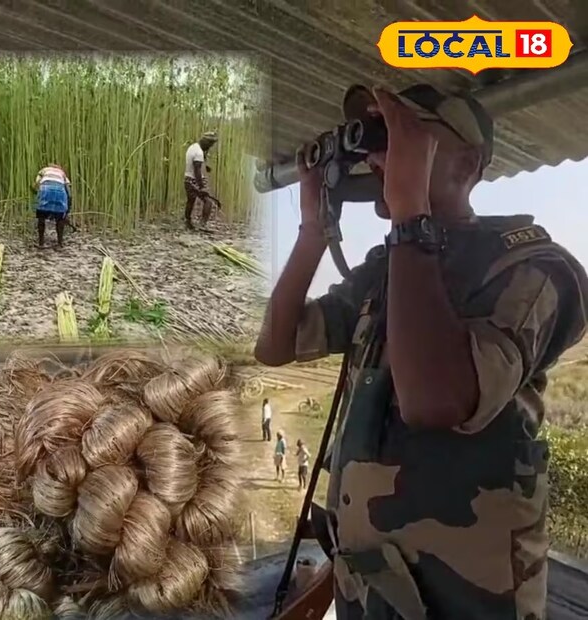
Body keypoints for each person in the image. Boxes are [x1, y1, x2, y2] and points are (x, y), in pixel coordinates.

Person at [255, 83, 588, 620]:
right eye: (379, 142)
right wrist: (313, 230)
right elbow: (275, 344)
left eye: (404, 138)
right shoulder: (386, 268)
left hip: (470, 592)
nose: (381, 157)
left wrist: (411, 216)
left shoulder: (534, 267)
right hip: (373, 582)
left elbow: (436, 402)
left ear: (467, 164)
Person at [32, 164, 72, 249]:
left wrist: (36, 194)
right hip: (60, 192)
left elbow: (36, 185)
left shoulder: (43, 171)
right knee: (60, 219)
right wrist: (67, 210)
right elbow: (68, 190)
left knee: (41, 217)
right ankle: (60, 243)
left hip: (45, 189)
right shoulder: (62, 173)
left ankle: (41, 242)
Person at [184, 131, 218, 230]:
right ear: (205, 142)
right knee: (208, 201)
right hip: (194, 180)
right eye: (210, 144)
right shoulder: (199, 152)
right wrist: (202, 186)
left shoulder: (193, 147)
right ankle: (203, 225)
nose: (210, 146)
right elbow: (197, 170)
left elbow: (196, 163)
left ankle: (187, 222)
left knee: (190, 201)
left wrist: (205, 166)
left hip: (187, 178)